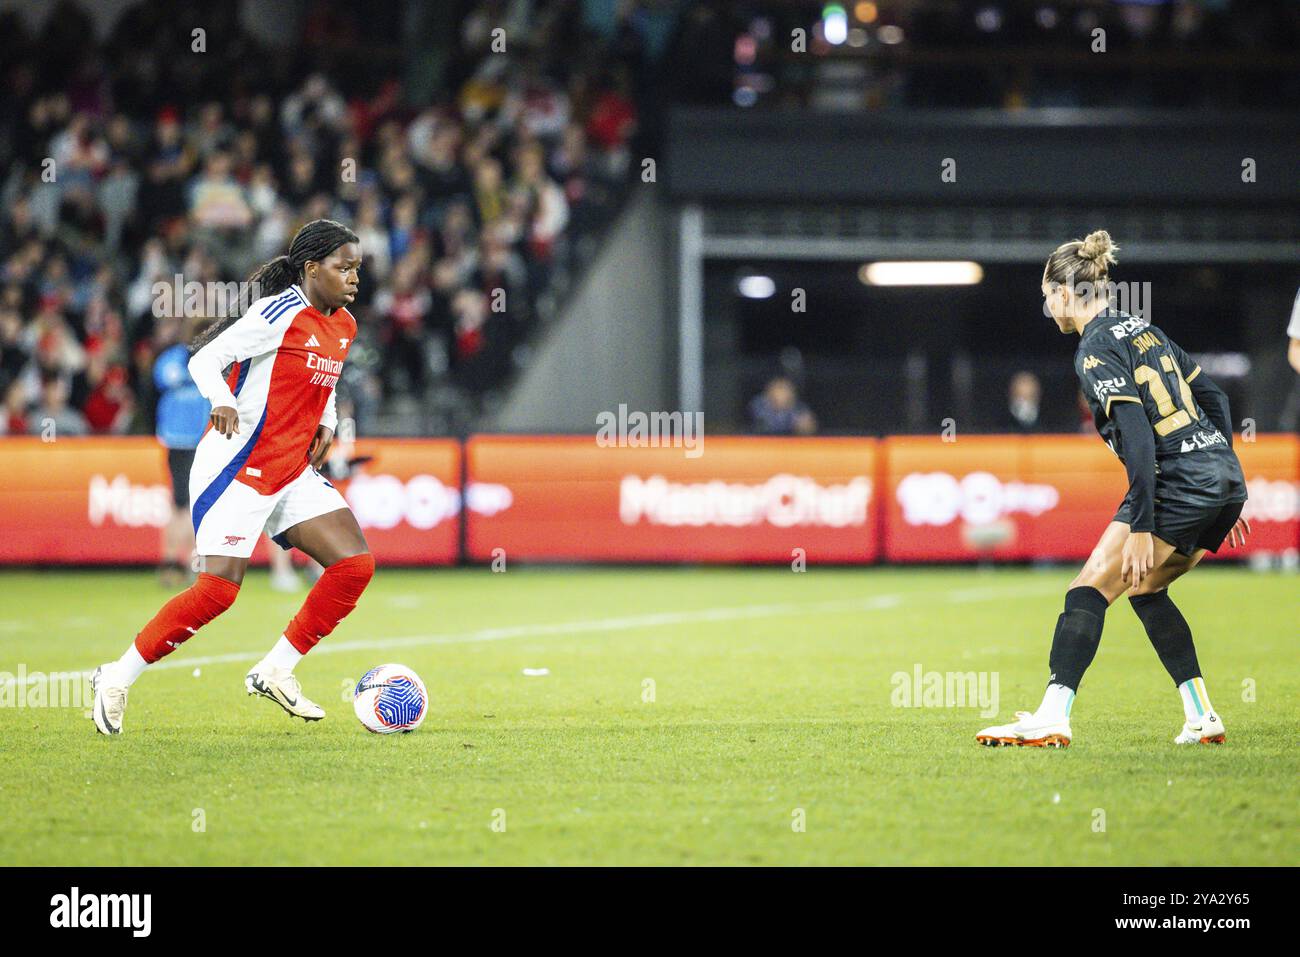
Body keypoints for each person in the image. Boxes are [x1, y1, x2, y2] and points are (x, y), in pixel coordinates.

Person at [90, 220, 373, 734]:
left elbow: (323, 378)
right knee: (219, 592)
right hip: (236, 468)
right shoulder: (277, 313)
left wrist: (327, 420)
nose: (354, 277)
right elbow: (205, 359)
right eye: (344, 267)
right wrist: (222, 400)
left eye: (357, 267)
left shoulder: (344, 325)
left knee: (354, 565)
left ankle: (276, 669)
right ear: (312, 269)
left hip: (291, 469)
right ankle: (115, 676)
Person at [977, 230, 1250, 749]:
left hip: (1178, 479)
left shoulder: (1096, 346)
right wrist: (1223, 480)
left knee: (1088, 589)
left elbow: (1140, 437)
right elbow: (1211, 394)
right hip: (1218, 477)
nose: (1045, 305)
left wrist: (1143, 526)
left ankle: (1052, 714)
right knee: (1146, 590)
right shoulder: (1144, 329)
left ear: (1062, 291)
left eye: (1045, 294)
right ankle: (1201, 715)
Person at [152, 317, 210, 586]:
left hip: (204, 440)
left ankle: (181, 562)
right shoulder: (172, 359)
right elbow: (166, 379)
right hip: (179, 440)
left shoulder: (214, 356)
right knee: (182, 504)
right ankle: (176, 561)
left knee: (191, 504)